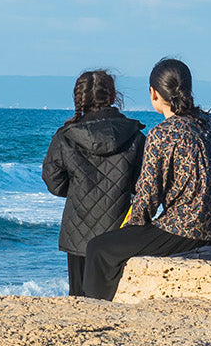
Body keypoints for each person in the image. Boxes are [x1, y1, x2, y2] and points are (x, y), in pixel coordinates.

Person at [83, 59, 211, 300]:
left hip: (186, 232)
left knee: (99, 248)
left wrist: (129, 229)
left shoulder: (162, 134)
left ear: (153, 93)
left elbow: (147, 198)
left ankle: (97, 311)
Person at [42, 70, 147, 296]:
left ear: (79, 98)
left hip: (77, 227)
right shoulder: (135, 136)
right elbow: (144, 184)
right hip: (119, 227)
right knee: (114, 295)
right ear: (112, 96)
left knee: (79, 298)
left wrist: (79, 191)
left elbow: (53, 181)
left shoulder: (66, 136)